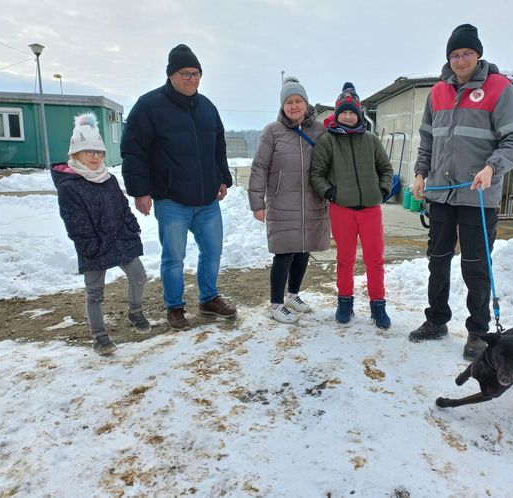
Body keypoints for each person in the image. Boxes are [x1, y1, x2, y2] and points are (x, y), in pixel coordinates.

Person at [408, 24, 513, 359]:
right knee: (438, 261)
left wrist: (492, 167)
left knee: (475, 265)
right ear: (449, 57)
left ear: (478, 55)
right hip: (441, 194)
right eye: (455, 54)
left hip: (478, 195)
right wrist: (421, 173)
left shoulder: (499, 88)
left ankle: (478, 332)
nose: (461, 60)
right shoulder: (437, 92)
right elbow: (428, 140)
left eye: (467, 54)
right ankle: (436, 320)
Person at [121, 44, 236, 330]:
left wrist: (222, 177)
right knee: (174, 257)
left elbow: (218, 146)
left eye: (197, 73)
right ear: (171, 74)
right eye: (185, 73)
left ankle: (209, 298)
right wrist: (140, 190)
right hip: (172, 199)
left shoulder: (207, 107)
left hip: (207, 200)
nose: (192, 79)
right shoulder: (149, 106)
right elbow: (134, 150)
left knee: (212, 251)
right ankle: (175, 307)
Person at [52, 113, 150, 355]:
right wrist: (89, 246)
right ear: (75, 154)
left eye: (99, 152)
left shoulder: (109, 179)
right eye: (89, 152)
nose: (95, 157)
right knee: (95, 292)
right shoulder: (69, 186)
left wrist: (132, 227)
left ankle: (135, 311)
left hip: (120, 239)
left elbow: (123, 207)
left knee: (139, 275)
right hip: (94, 246)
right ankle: (99, 336)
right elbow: (75, 222)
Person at [310, 82, 394, 329]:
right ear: (337, 114)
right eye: (344, 112)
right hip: (342, 209)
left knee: (375, 259)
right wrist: (331, 193)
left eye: (352, 112)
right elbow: (317, 173)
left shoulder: (370, 140)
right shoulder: (328, 141)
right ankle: (344, 301)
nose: (348, 116)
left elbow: (385, 169)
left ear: (358, 114)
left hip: (370, 210)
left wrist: (382, 190)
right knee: (345, 259)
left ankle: (378, 305)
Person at [248, 77, 330, 324]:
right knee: (284, 253)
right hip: (282, 201)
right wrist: (257, 202)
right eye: (289, 102)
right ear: (283, 106)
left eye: (298, 101)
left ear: (306, 103)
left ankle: (293, 294)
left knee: (304, 249)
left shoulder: (319, 131)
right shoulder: (272, 132)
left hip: (312, 201)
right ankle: (276, 304)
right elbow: (259, 167)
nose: (294, 106)